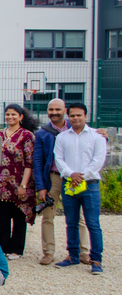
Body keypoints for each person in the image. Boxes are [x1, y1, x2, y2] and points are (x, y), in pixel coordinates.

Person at [33, 99, 90, 265]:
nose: (54, 112)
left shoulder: (76, 127)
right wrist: (41, 187)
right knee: (48, 216)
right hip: (54, 177)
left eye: (58, 109)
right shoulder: (42, 133)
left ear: (65, 110)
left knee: (77, 217)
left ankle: (83, 251)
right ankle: (48, 252)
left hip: (74, 178)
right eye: (51, 109)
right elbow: (37, 161)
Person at [53, 104, 106, 275]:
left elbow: (99, 159)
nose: (76, 118)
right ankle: (73, 255)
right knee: (71, 222)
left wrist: (82, 175)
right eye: (73, 116)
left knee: (92, 223)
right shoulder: (62, 137)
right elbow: (59, 159)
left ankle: (96, 259)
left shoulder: (96, 137)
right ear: (68, 117)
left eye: (79, 115)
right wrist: (71, 174)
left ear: (86, 116)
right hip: (69, 184)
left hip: (89, 185)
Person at [0, 104, 37, 260]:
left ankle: (16, 249)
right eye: (7, 114)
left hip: (20, 183)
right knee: (3, 218)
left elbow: (29, 162)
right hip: (1, 185)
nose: (10, 117)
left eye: (13, 114)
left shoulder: (27, 136)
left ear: (21, 117)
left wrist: (24, 185)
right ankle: (3, 247)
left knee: (19, 218)